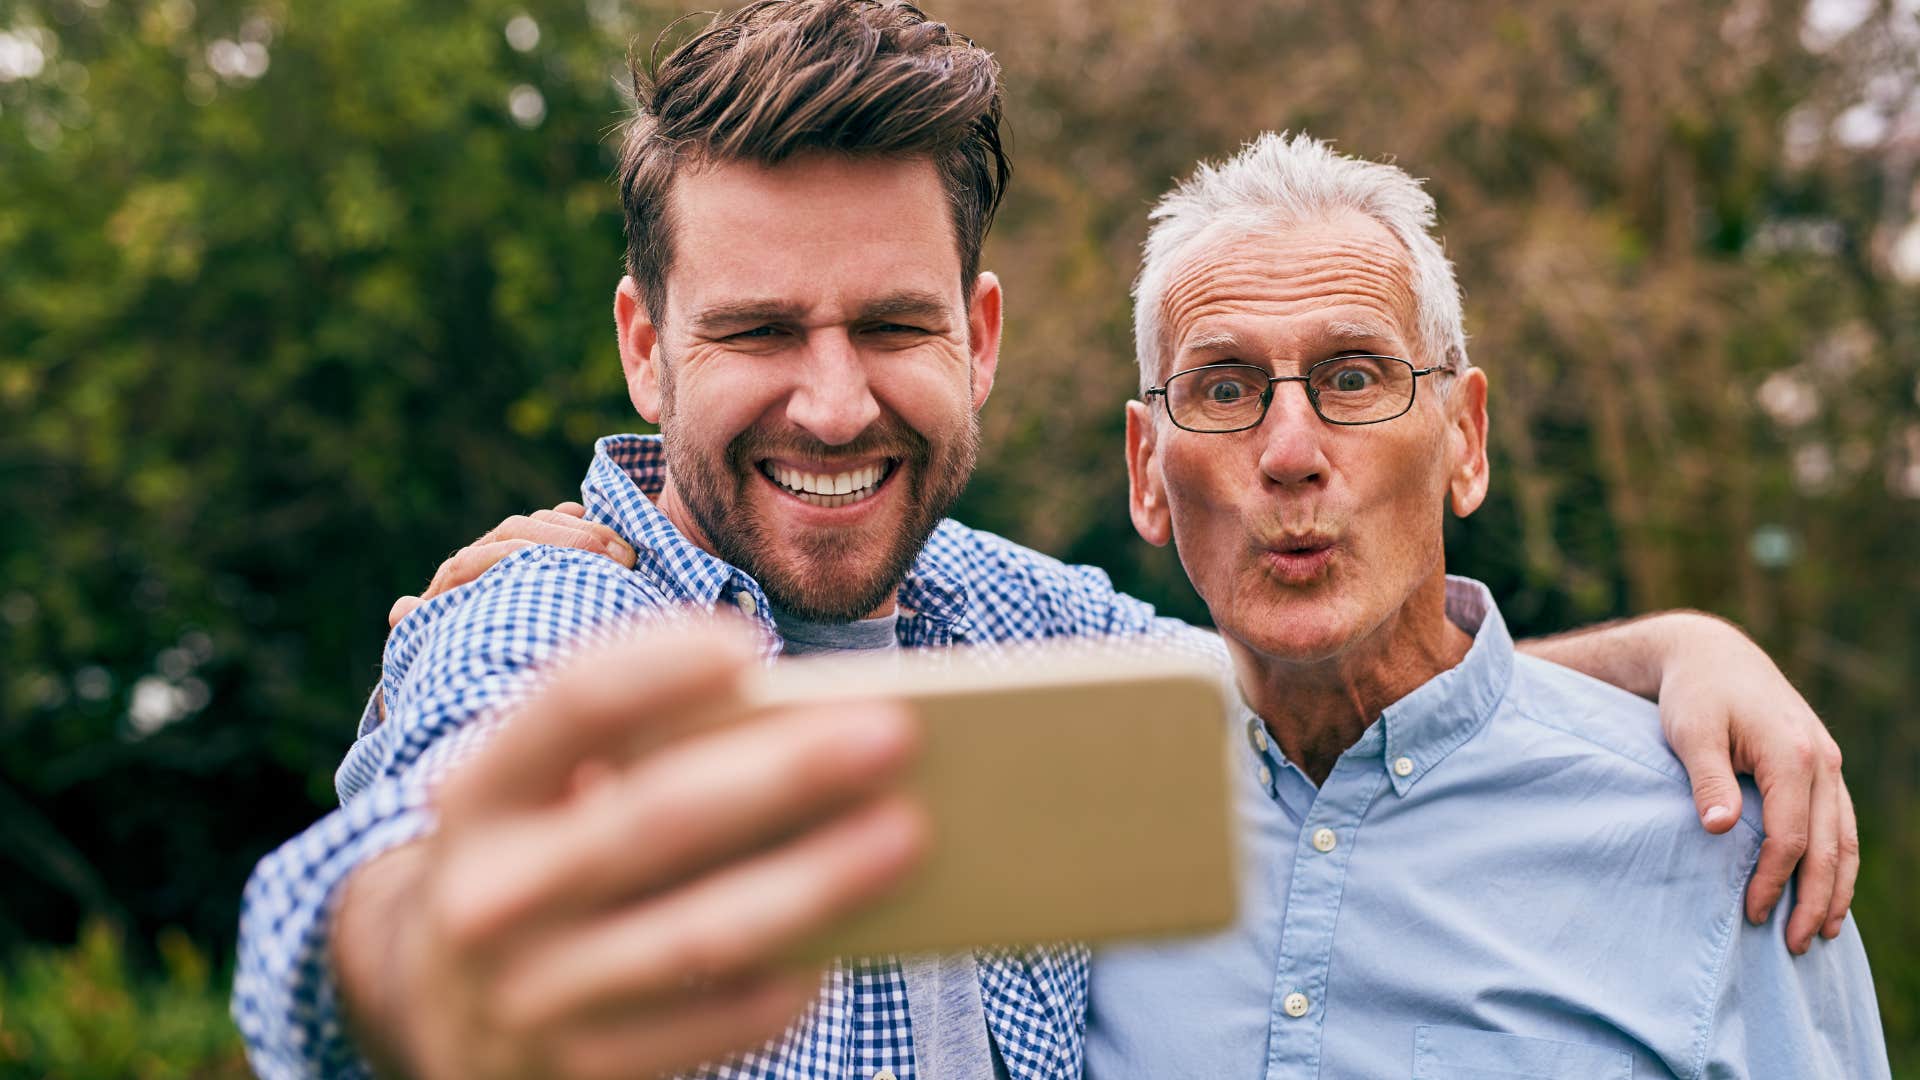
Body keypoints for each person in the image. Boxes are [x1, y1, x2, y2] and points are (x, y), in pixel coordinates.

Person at [233, 3, 1860, 1078]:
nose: (828, 401)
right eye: (754, 333)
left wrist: (1676, 656)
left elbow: (1339, 690)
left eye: (888, 323)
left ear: (982, 334)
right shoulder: (554, 623)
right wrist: (420, 965)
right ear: (646, 347)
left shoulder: (1028, 635)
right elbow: (399, 868)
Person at [1083, 131, 1887, 1076]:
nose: (1290, 451)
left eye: (1353, 376)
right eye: (1225, 388)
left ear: (1465, 438)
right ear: (1146, 470)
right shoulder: (1076, 820)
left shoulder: (1720, 848)